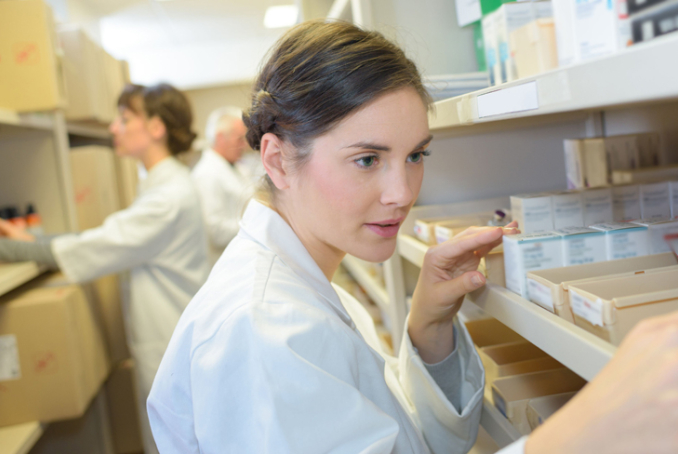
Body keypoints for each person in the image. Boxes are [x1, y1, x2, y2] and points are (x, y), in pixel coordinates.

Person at [147, 21, 678, 454]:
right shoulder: (265, 331)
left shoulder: (303, 281)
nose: (402, 193)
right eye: (367, 159)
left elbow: (395, 437)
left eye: (416, 155)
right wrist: (580, 433)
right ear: (278, 160)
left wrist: (427, 328)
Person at [0, 83, 210, 454]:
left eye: (125, 119)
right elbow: (108, 237)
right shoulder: (163, 186)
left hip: (169, 342)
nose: (114, 128)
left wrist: (13, 248)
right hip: (169, 338)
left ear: (156, 128)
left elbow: (100, 244)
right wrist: (36, 242)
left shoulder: (168, 197)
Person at [192, 107, 254, 264]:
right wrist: (255, 225)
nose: (244, 145)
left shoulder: (238, 167)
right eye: (239, 139)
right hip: (226, 260)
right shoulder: (206, 174)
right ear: (220, 138)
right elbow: (214, 231)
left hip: (245, 253)